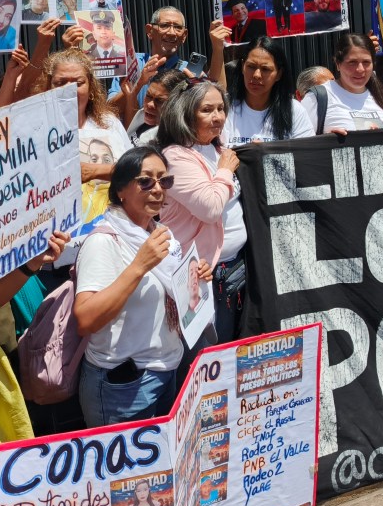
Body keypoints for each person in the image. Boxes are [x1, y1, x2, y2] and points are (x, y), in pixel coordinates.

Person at [75, 146, 209, 426]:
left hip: (167, 369)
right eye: (146, 181)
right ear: (120, 190)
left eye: (164, 180)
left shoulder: (162, 235)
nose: (158, 189)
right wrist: (139, 266)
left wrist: (196, 277)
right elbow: (85, 320)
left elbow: (173, 294)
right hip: (124, 386)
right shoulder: (103, 242)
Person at [154, 83, 245, 340]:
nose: (218, 117)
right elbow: (210, 208)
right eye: (207, 110)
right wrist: (224, 170)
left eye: (221, 109)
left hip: (234, 267)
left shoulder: (218, 149)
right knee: (206, 351)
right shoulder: (175, 157)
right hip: (199, 275)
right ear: (185, 114)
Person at [41, 49, 133, 187]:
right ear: (49, 87)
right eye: (60, 82)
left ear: (90, 87)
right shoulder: (38, 130)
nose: (70, 89)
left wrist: (95, 171)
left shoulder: (110, 122)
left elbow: (134, 169)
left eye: (78, 83)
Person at [308, 33, 383, 133]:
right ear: (338, 64)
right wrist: (328, 140)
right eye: (352, 62)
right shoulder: (317, 98)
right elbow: (302, 141)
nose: (360, 69)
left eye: (366, 62)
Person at [222, 38, 313, 146]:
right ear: (242, 66)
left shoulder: (294, 111)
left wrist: (268, 152)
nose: (256, 75)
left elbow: (306, 152)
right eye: (251, 67)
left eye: (265, 69)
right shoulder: (225, 109)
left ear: (279, 74)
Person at [129, 70, 188, 145]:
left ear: (177, 104)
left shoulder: (172, 144)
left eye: (160, 100)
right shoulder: (141, 116)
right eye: (148, 96)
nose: (150, 104)